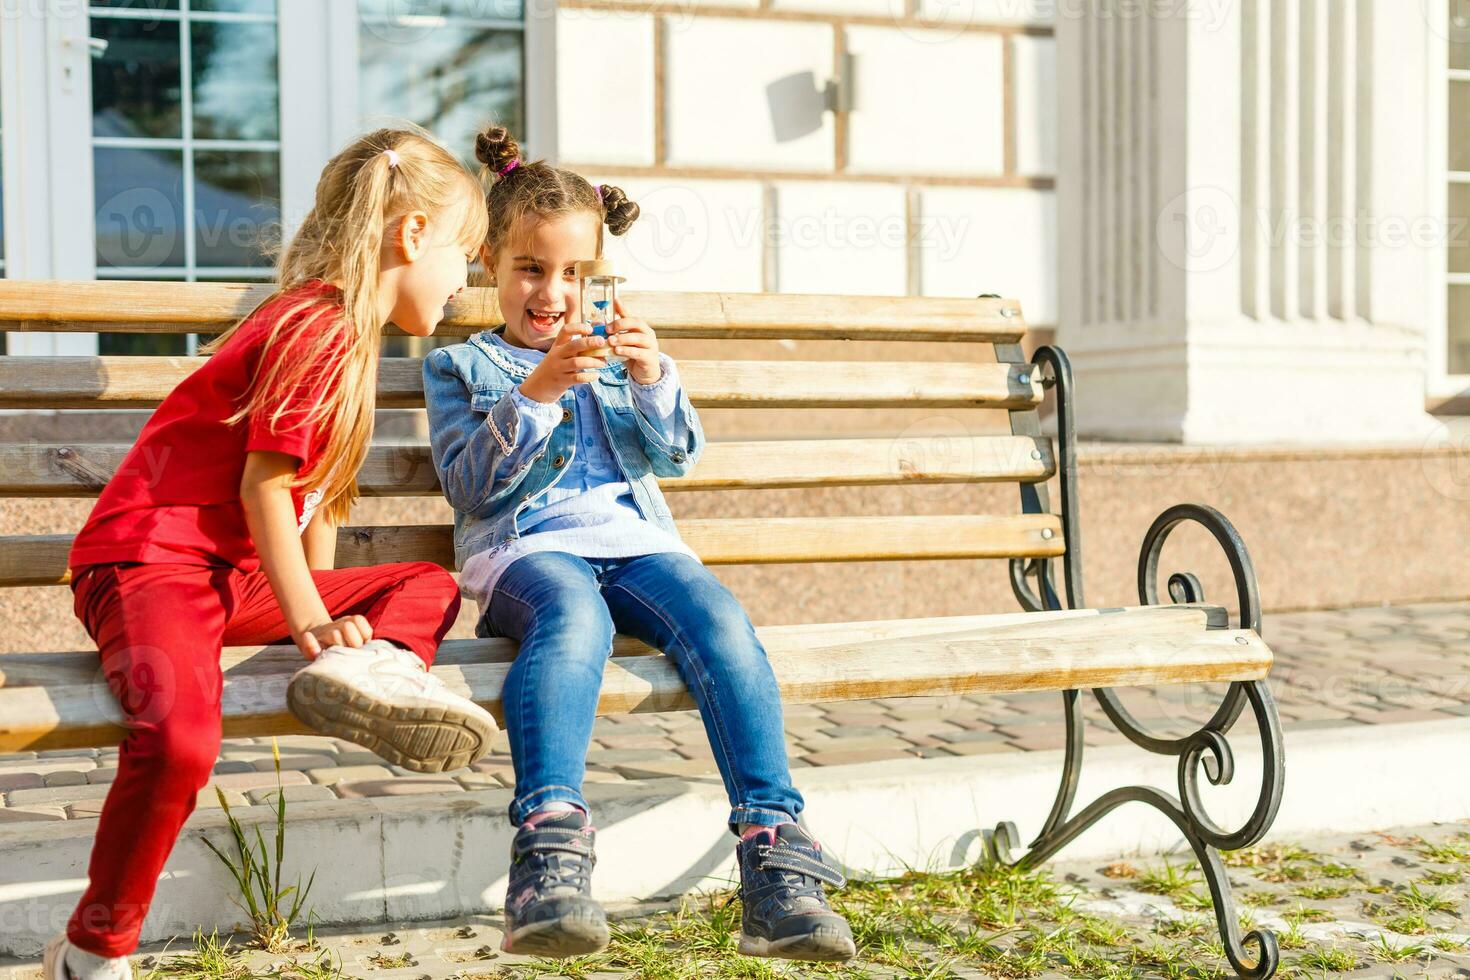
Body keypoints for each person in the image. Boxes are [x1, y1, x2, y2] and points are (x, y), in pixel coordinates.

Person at [46, 129, 499, 980]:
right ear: (411, 237)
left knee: (423, 583)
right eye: (465, 257)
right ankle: (89, 953)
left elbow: (311, 500)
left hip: (232, 576)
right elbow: (264, 487)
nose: (463, 283)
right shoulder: (316, 324)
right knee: (181, 738)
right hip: (151, 560)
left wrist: (322, 628)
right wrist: (312, 620)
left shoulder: (348, 338)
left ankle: (378, 672)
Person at [421, 125, 856, 963]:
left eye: (577, 274)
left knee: (721, 621)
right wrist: (537, 395)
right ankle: (549, 850)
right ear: (490, 266)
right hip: (525, 552)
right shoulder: (463, 367)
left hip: (637, 545)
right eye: (531, 269)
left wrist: (656, 381)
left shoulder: (623, 359)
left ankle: (774, 856)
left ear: (601, 277)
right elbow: (470, 489)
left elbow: (678, 457)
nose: (554, 292)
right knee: (574, 618)